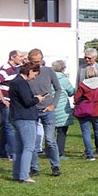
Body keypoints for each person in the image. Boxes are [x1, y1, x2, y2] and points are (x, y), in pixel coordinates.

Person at [26, 49, 64, 177]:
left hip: (47, 110)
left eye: (39, 61)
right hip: (32, 109)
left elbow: (58, 89)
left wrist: (53, 104)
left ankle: (55, 166)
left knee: (50, 140)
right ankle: (34, 167)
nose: (38, 64)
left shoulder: (49, 71)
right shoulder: (26, 72)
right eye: (35, 61)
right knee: (32, 140)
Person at [7, 62, 47, 183]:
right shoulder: (21, 82)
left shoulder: (14, 82)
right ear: (29, 71)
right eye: (34, 73)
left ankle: (17, 173)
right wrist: (38, 99)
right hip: (25, 118)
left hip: (16, 117)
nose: (34, 77)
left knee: (19, 148)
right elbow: (27, 101)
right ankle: (24, 176)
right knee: (28, 147)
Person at [0, 50, 25, 160]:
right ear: (13, 57)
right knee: (10, 127)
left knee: (5, 127)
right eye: (20, 56)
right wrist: (2, 99)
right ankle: (13, 154)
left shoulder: (15, 69)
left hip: (11, 101)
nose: (22, 58)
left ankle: (1, 153)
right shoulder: (6, 68)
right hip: (6, 102)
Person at [51, 59, 76, 158]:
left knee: (50, 132)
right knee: (62, 132)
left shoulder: (49, 78)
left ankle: (50, 151)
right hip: (62, 108)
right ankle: (59, 153)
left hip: (51, 106)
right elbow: (71, 92)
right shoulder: (63, 79)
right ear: (62, 69)